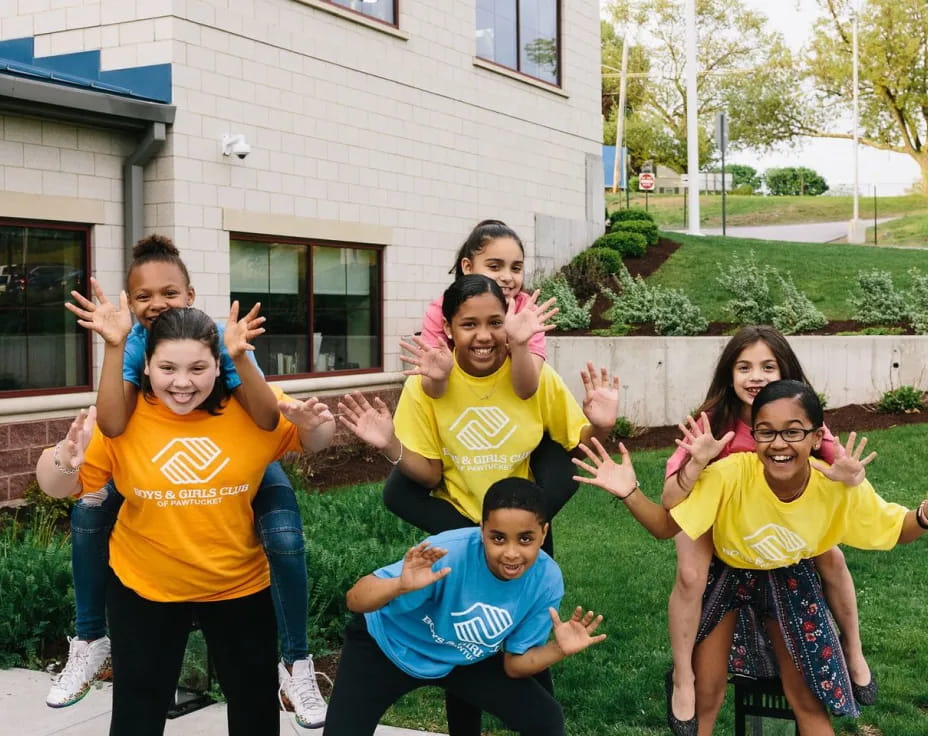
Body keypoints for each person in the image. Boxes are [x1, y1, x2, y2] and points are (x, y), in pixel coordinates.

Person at [50, 236, 327, 729]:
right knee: (137, 710)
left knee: (254, 704)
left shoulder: (231, 358)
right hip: (145, 586)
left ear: (216, 362)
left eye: (198, 368)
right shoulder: (130, 382)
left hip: (237, 585)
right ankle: (89, 638)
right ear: (148, 365)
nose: (182, 382)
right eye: (168, 369)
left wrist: (309, 424)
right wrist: (64, 460)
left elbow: (290, 427)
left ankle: (296, 659)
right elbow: (79, 461)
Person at [338, 273, 617, 735]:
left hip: (509, 517)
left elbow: (577, 443)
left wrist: (601, 424)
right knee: (447, 597)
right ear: (447, 327)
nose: (484, 335)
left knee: (526, 667)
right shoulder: (430, 382)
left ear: (508, 321)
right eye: (469, 324)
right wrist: (390, 444)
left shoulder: (533, 377)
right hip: (461, 522)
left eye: (494, 322)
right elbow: (425, 474)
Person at [573, 380, 925, 736]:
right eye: (766, 432)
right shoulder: (731, 474)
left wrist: (924, 515)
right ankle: (683, 681)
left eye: (793, 432)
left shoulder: (837, 486)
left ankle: (853, 654)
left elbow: (898, 529)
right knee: (706, 692)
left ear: (817, 437)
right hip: (730, 574)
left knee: (807, 697)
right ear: (753, 435)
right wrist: (630, 492)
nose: (778, 444)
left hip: (789, 577)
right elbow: (666, 526)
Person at [657, 326, 875, 734]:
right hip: (716, 518)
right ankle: (684, 677)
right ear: (729, 374)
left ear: (785, 372)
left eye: (767, 366)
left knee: (833, 556)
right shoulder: (713, 423)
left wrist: (849, 476)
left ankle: (855, 651)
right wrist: (698, 462)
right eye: (744, 367)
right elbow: (671, 500)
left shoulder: (799, 418)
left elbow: (842, 470)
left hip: (778, 521)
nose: (755, 376)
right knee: (690, 576)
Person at [323, 477, 606, 736]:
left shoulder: (547, 580)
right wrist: (400, 585)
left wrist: (557, 649)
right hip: (387, 644)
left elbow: (514, 666)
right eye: (497, 538)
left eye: (525, 539)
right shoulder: (447, 551)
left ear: (543, 534)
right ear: (481, 530)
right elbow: (355, 599)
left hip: (460, 658)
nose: (511, 553)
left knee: (545, 717)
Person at [391, 220, 571, 556]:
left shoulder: (526, 313)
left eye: (516, 267)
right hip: (455, 419)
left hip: (519, 414)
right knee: (397, 492)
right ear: (467, 267)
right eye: (495, 265)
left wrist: (518, 343)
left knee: (559, 470)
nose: (507, 276)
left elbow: (526, 387)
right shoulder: (441, 309)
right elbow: (433, 385)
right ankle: (479, 538)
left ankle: (522, 534)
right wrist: (441, 375)